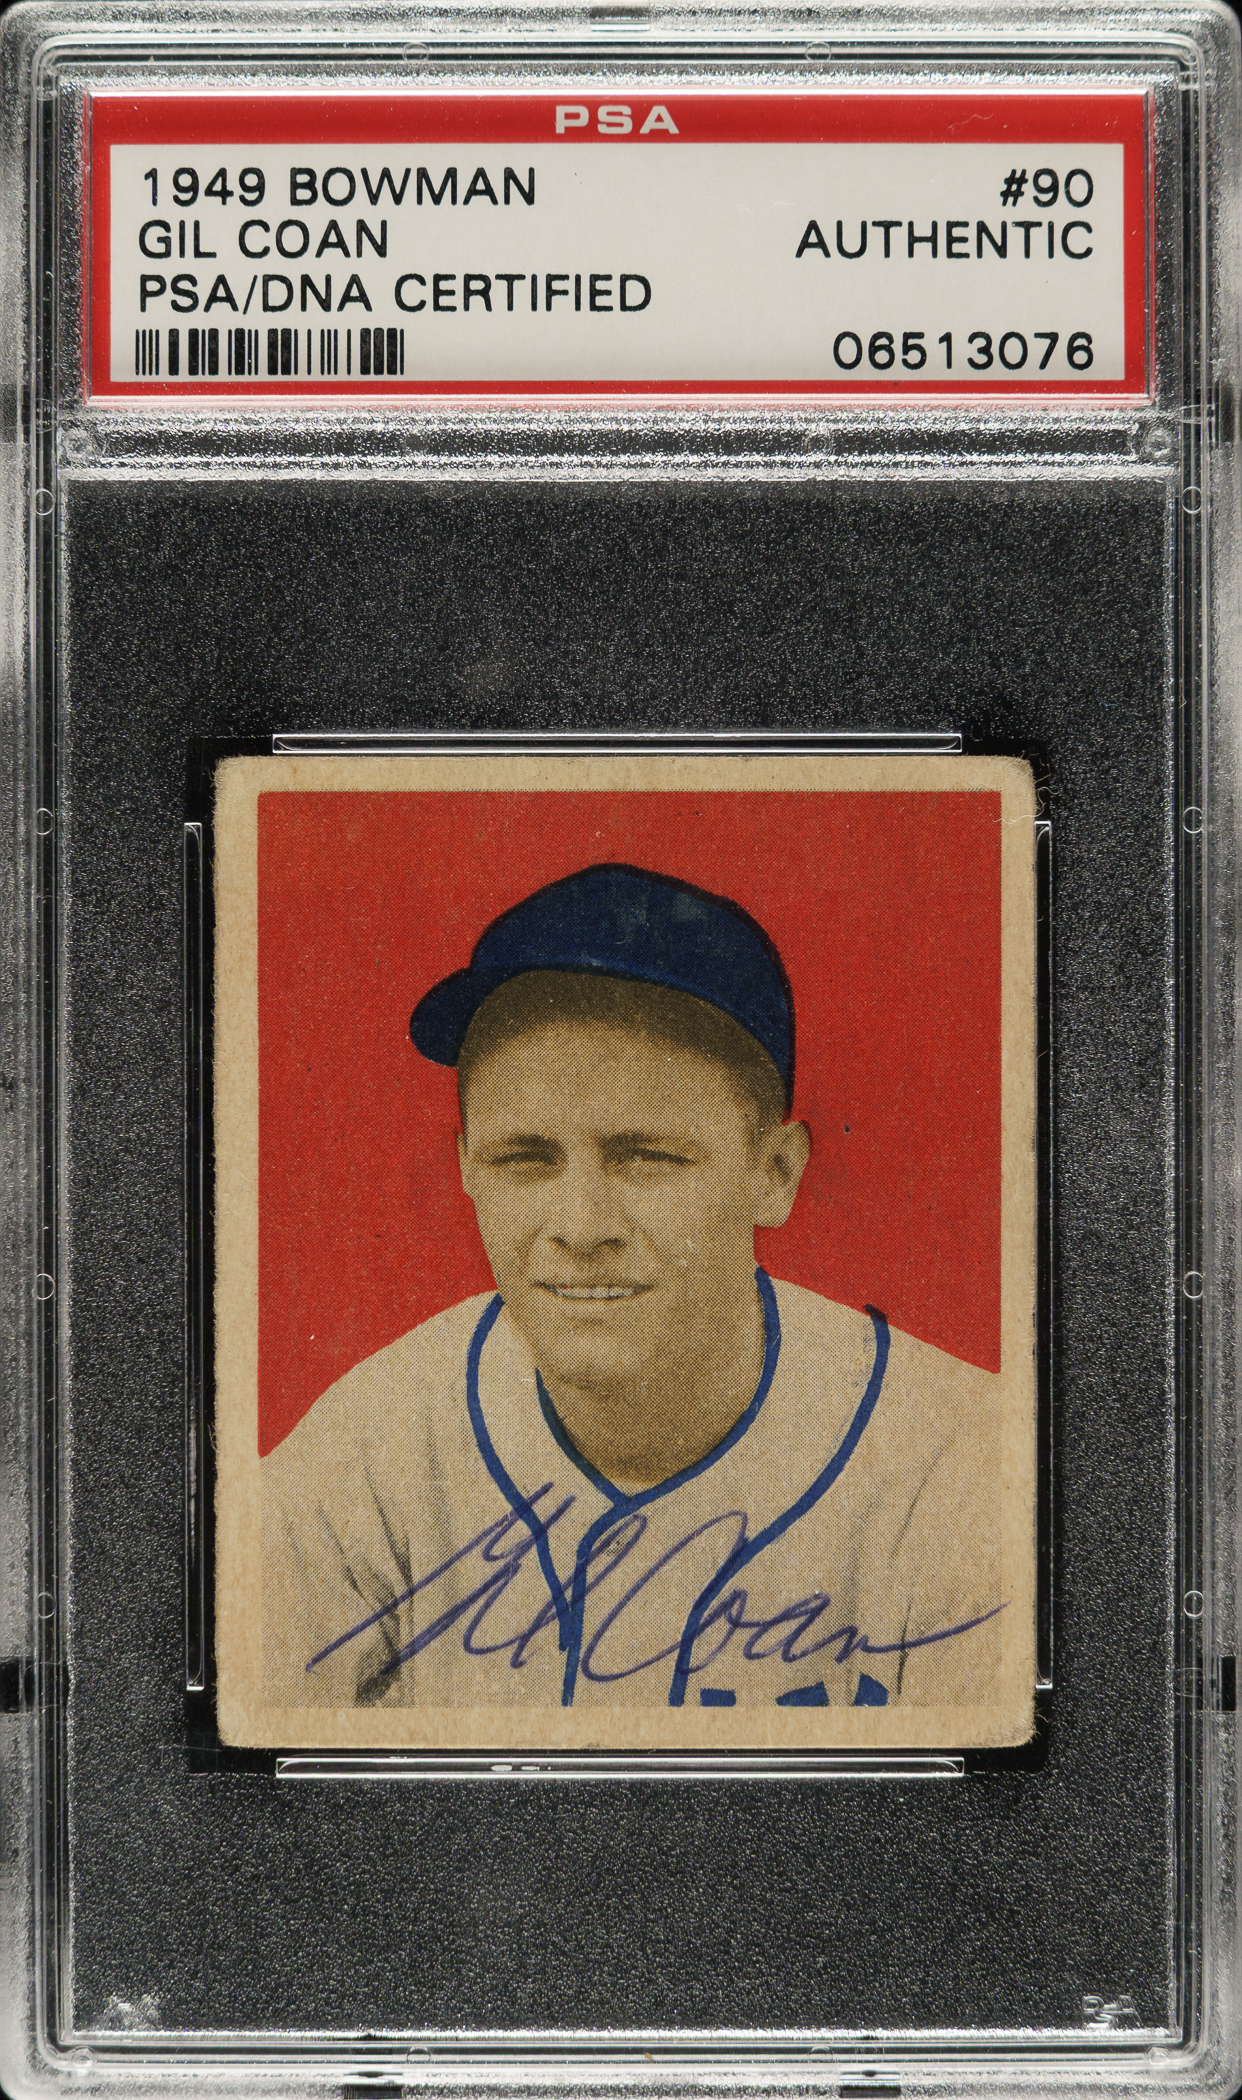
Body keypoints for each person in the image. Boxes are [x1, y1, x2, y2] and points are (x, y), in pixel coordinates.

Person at [263, 863, 1010, 1717]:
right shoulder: (366, 1451)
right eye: (524, 1158)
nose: (581, 1226)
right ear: (466, 1167)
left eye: (647, 1157)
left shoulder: (964, 1470)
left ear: (774, 1174)